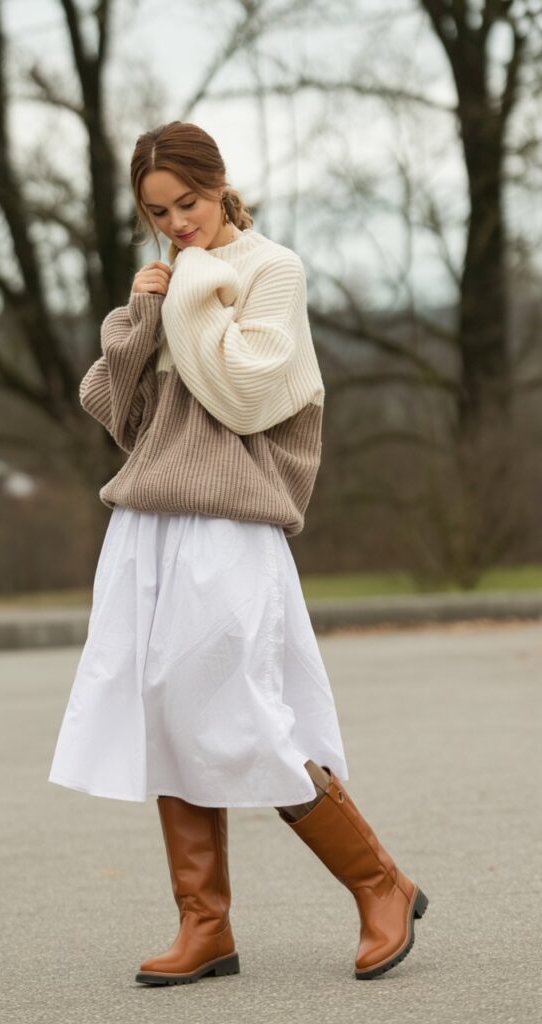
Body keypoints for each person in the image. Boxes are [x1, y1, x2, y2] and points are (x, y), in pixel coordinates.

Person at [48, 120, 428, 987]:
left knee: (240, 710)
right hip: (148, 519)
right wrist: (143, 312)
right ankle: (205, 925)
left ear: (219, 185)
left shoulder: (268, 270)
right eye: (158, 211)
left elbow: (248, 395)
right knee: (168, 713)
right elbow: (116, 410)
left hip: (231, 521)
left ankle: (382, 884)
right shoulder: (169, 280)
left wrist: (186, 298)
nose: (177, 222)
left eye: (188, 201)